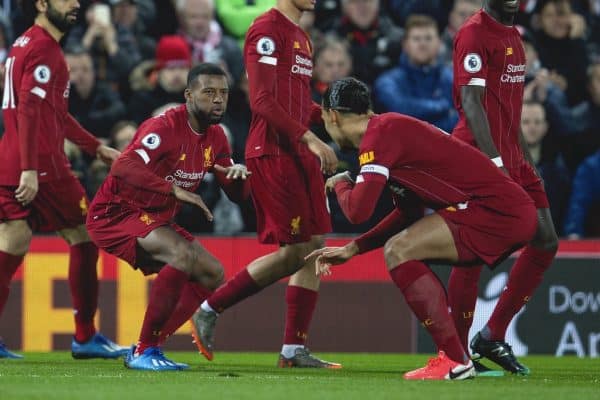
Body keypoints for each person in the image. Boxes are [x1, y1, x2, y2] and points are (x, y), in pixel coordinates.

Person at [308, 77, 537, 380]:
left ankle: (455, 359)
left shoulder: (380, 137)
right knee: (402, 248)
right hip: (500, 210)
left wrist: (340, 183)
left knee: (399, 250)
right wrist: (354, 248)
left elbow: (357, 211)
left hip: (495, 210)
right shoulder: (386, 132)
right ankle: (456, 357)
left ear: (333, 116)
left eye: (323, 119)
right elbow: (408, 212)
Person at [190, 0, 340, 368]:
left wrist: (335, 120)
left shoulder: (302, 37)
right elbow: (262, 101)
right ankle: (209, 308)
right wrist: (311, 138)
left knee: (315, 245)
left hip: (299, 150)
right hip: (273, 151)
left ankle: (293, 350)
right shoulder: (266, 30)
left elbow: (296, 104)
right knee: (292, 252)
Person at [86, 63, 251, 371]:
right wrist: (173, 190)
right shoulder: (163, 127)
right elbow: (123, 166)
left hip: (154, 218)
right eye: (209, 92)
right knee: (181, 254)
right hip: (115, 212)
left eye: (224, 94)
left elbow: (236, 194)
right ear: (189, 95)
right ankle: (144, 350)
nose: (218, 100)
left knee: (212, 273)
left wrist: (239, 180)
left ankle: (149, 347)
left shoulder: (217, 137)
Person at [0, 0, 126, 359]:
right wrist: (29, 168)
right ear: (41, 4)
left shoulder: (25, 42)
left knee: (12, 240)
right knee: (86, 235)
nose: (75, 4)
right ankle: (85, 336)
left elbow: (54, 112)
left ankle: (85, 336)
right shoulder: (43, 49)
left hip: (12, 159)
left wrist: (95, 148)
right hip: (41, 165)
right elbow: (29, 107)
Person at [448, 0, 559, 375]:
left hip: (512, 152)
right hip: (479, 155)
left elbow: (509, 110)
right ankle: (457, 353)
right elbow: (471, 103)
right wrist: (494, 165)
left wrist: (528, 165)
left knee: (546, 240)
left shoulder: (513, 34)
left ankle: (492, 334)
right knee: (473, 251)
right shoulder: (475, 32)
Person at [374, 14, 457, 132]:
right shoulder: (387, 81)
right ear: (405, 45)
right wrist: (442, 106)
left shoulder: (453, 79)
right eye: (416, 39)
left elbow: (463, 119)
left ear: (439, 43)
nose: (422, 44)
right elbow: (399, 108)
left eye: (428, 38)